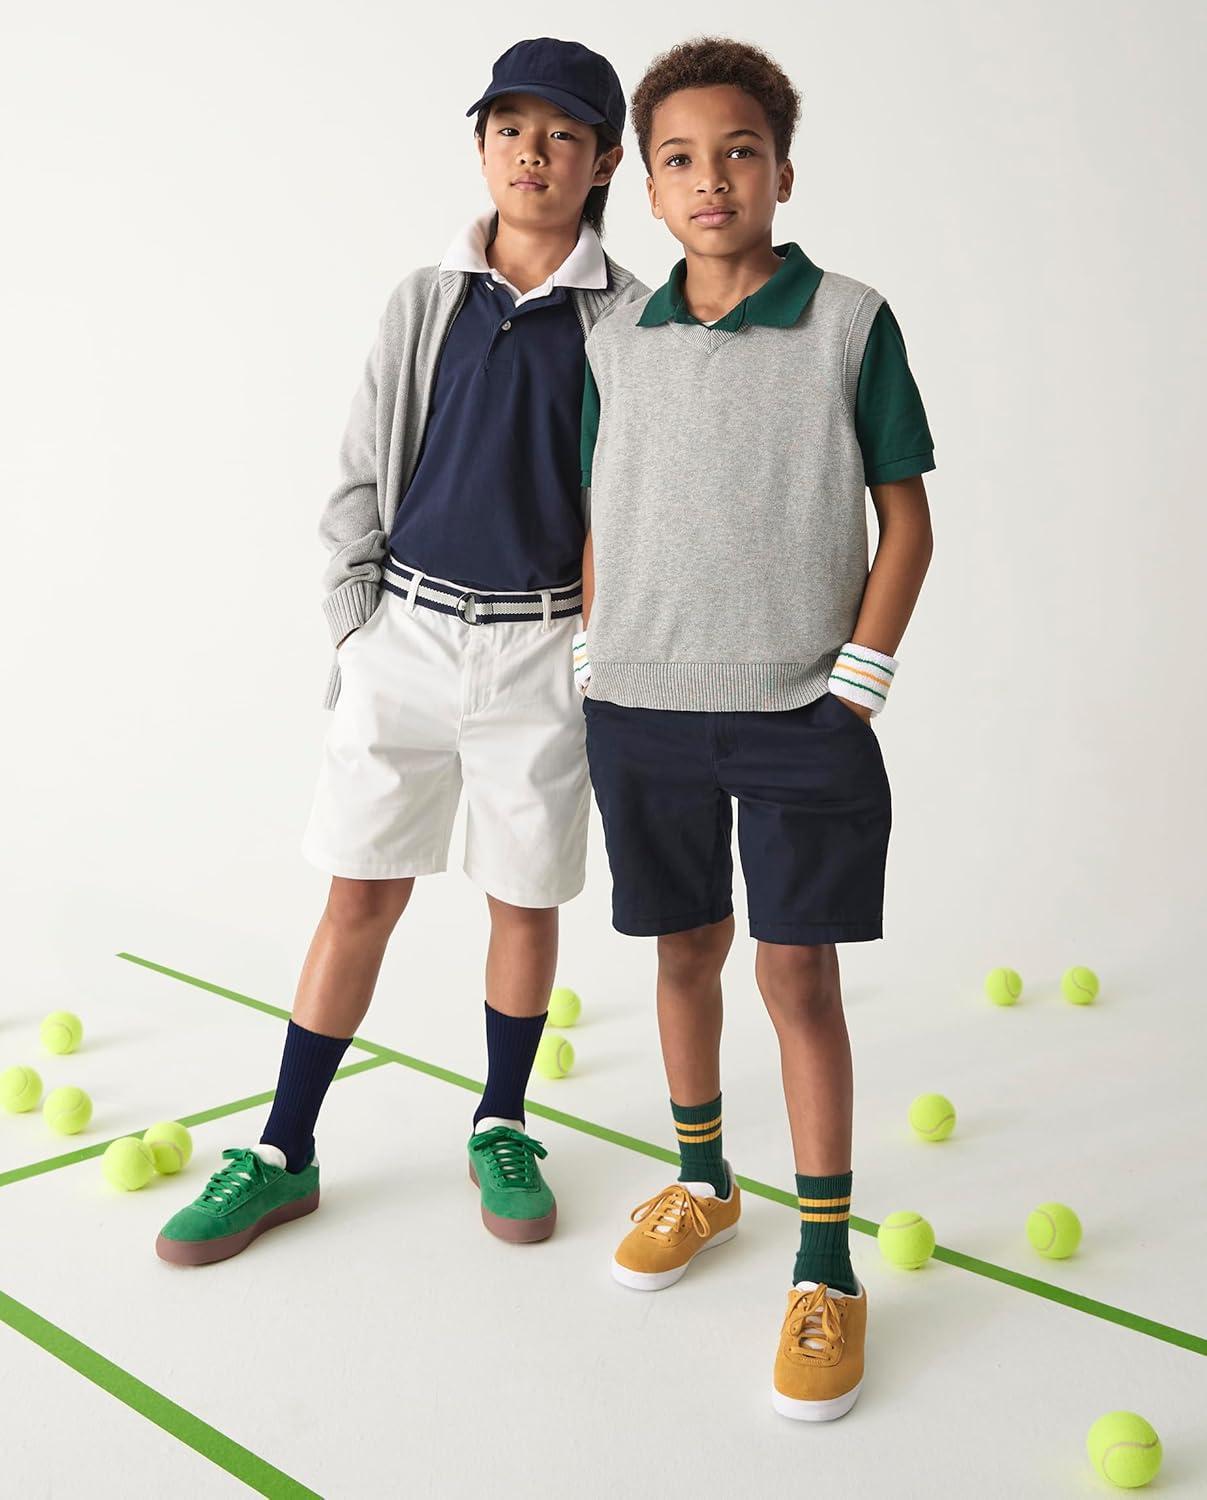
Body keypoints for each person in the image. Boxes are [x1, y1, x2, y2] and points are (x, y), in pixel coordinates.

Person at [156, 37, 649, 1266]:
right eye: (510, 128)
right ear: (480, 146)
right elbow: (358, 465)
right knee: (359, 891)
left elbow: (635, 503)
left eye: (563, 134)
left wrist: (598, 658)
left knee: (524, 898)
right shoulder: (424, 298)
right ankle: (283, 1150)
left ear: (602, 163)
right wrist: (356, 620)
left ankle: (501, 1121)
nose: (532, 153)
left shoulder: (633, 321)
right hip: (408, 637)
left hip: (543, 651)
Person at [573, 35, 935, 1420]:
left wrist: (857, 681)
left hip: (800, 718)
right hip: (641, 712)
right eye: (678, 159)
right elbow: (602, 508)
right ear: (646, 189)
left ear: (782, 170)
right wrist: (597, 652)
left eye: (738, 152)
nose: (710, 178)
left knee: (797, 980)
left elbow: (903, 517)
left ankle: (826, 1264)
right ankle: (702, 1182)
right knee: (682, 954)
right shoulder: (614, 341)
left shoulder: (848, 320)